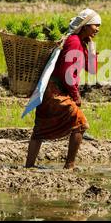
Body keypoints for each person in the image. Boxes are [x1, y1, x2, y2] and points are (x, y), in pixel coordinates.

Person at [25, 9, 101, 169]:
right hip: (55, 91)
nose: (98, 29)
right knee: (80, 123)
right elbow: (67, 72)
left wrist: (92, 50)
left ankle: (29, 167)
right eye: (95, 25)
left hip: (49, 90)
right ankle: (69, 166)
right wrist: (75, 95)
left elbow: (92, 69)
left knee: (40, 129)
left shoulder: (80, 43)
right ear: (85, 25)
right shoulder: (73, 41)